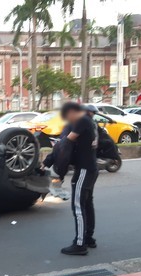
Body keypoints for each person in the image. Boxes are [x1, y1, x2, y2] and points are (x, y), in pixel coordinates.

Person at [60, 102, 99, 256]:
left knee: (78, 206)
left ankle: (80, 243)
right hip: (91, 167)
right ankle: (89, 237)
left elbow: (68, 140)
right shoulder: (92, 123)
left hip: (83, 169)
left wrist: (56, 153)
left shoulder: (82, 121)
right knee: (88, 203)